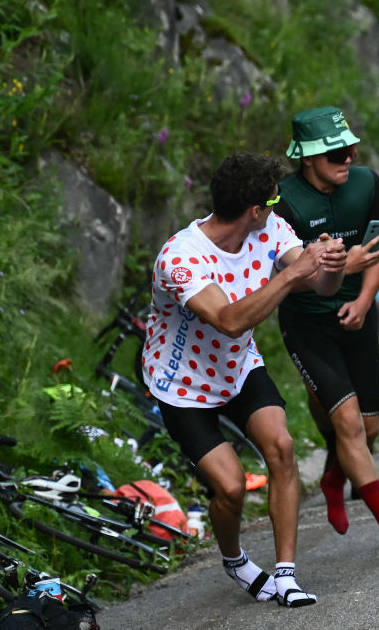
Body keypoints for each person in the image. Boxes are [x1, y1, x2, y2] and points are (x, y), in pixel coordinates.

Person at [142, 152, 347, 607]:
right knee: (231, 487)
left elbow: (320, 286)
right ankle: (234, 559)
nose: (277, 209)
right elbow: (230, 320)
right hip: (182, 383)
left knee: (283, 448)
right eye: (272, 201)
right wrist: (293, 272)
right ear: (254, 209)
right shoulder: (181, 258)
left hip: (237, 367)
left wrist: (329, 265)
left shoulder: (270, 229)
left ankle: (287, 574)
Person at [273, 107, 379, 560]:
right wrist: (333, 270)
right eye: (337, 152)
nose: (350, 157)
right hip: (307, 323)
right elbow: (284, 276)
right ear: (307, 159)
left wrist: (367, 303)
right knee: (349, 424)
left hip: (358, 314)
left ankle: (334, 477)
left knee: (370, 429)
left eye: (352, 147)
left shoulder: (366, 183)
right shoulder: (284, 199)